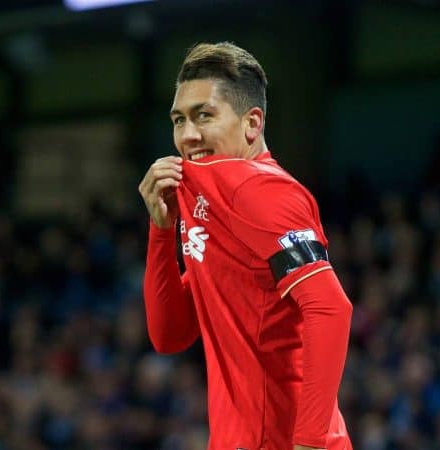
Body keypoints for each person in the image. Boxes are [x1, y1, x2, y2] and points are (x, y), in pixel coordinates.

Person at [138, 42, 353, 450]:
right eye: (178, 120)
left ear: (252, 124)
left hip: (281, 439)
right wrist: (161, 231)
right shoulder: (206, 197)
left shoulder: (260, 189)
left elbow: (330, 307)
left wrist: (309, 441)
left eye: (204, 116)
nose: (188, 135)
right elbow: (170, 335)